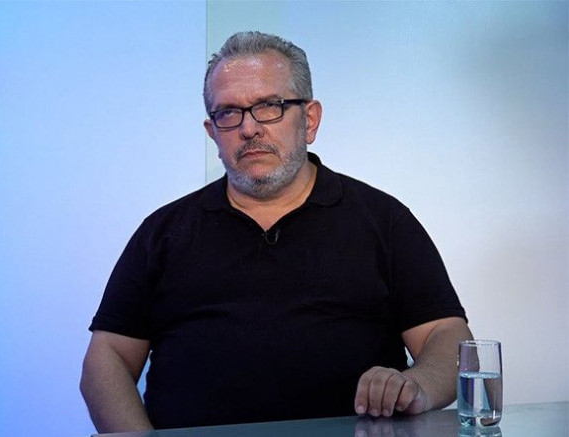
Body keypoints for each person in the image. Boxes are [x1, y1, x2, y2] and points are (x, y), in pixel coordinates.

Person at [80, 31, 473, 433]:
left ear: (310, 119)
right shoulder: (163, 232)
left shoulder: (384, 221)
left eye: (269, 106)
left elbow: (446, 335)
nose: (249, 128)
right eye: (228, 112)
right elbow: (107, 358)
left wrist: (417, 386)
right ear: (212, 132)